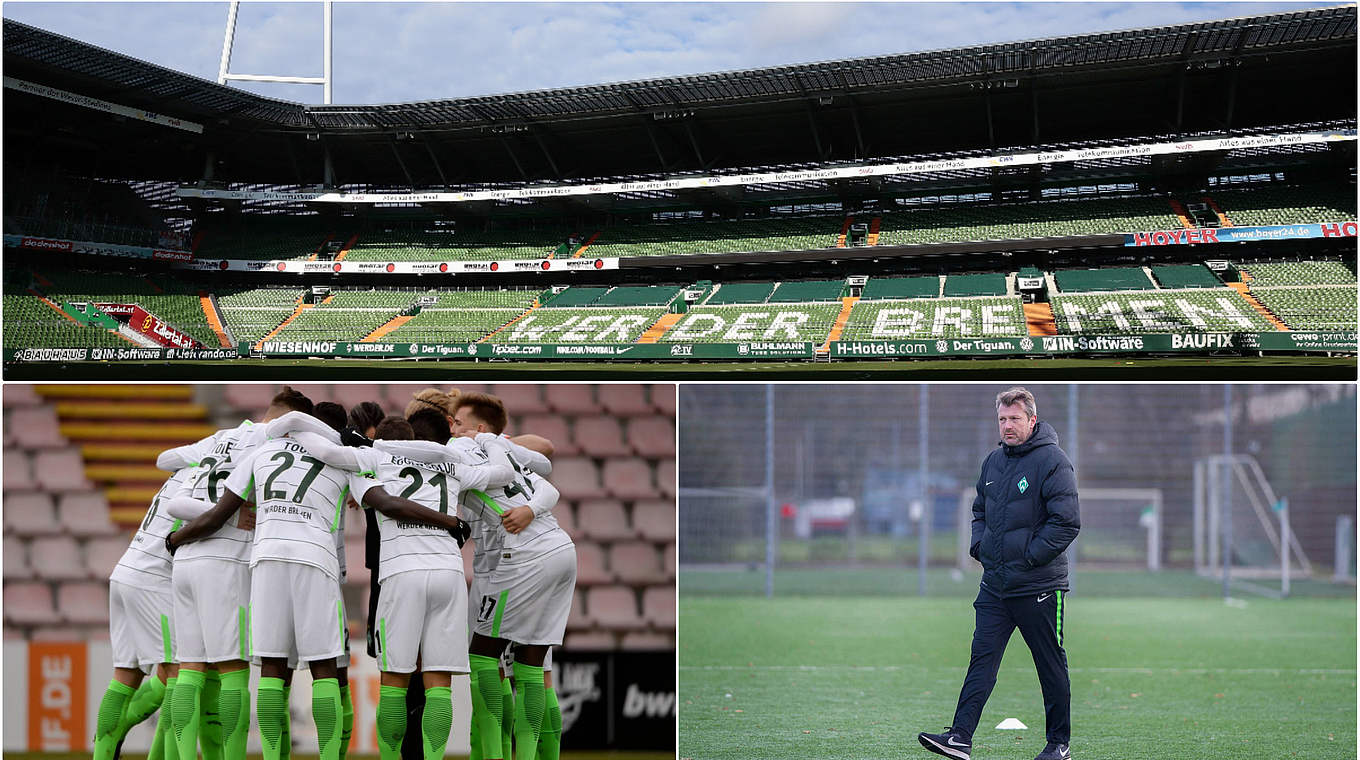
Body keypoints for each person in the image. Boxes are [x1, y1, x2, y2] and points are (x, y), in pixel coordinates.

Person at [165, 416, 471, 760]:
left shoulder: (262, 451)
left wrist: (176, 537)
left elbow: (212, 507)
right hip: (318, 560)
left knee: (270, 669)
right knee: (326, 667)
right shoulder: (344, 458)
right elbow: (379, 499)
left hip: (265, 557)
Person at [918, 388, 1079, 760]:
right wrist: (980, 548)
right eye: (1003, 419)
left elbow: (1067, 522)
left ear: (1032, 420)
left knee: (1050, 665)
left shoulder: (1054, 461)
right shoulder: (992, 462)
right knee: (982, 659)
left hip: (1038, 585)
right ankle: (959, 737)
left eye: (1015, 419)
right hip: (995, 587)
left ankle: (1059, 744)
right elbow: (979, 512)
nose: (1007, 425)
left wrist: (1028, 557)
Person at [165, 388, 311, 760]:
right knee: (232, 670)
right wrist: (232, 513)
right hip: (225, 562)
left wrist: (213, 511)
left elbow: (172, 494)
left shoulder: (219, 439)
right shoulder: (271, 447)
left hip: (185, 562)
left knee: (190, 670)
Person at [454, 392, 574, 760]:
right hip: (560, 550)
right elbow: (546, 469)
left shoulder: (460, 452)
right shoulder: (505, 451)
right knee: (533, 668)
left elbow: (546, 451)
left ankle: (493, 754)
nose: (451, 428)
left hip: (518, 561)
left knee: (484, 656)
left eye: (457, 422)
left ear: (476, 428)